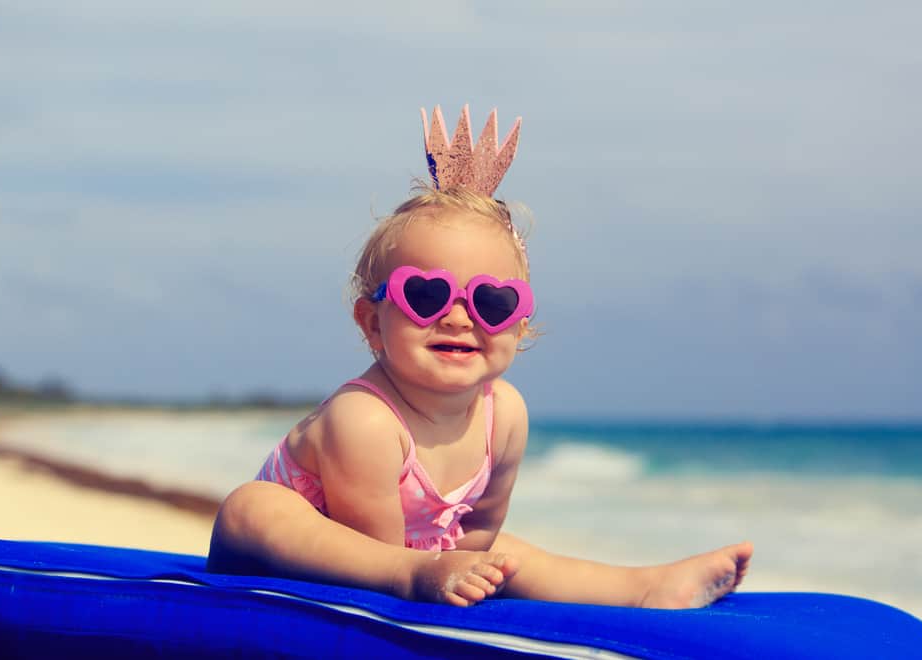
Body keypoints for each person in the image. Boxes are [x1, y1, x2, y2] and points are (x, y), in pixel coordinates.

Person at [207, 105, 752, 608]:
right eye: (427, 295)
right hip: (306, 551)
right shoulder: (364, 420)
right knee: (254, 507)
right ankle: (418, 574)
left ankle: (642, 587)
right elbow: (367, 549)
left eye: (491, 302)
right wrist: (422, 571)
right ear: (373, 321)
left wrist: (466, 563)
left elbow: (480, 527)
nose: (460, 318)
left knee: (515, 556)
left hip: (421, 551)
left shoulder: (505, 414)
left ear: (519, 326)